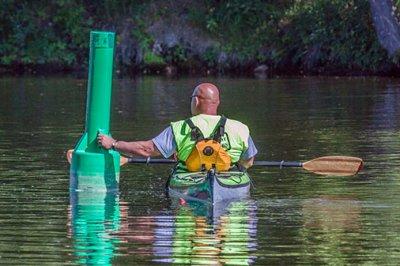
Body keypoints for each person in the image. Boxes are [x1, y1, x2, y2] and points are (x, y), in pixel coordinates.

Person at [97, 83, 257, 170]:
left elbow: (146, 149)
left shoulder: (180, 127)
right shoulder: (241, 128)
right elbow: (248, 161)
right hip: (229, 191)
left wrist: (113, 144)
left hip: (190, 184)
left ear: (195, 101)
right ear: (218, 103)